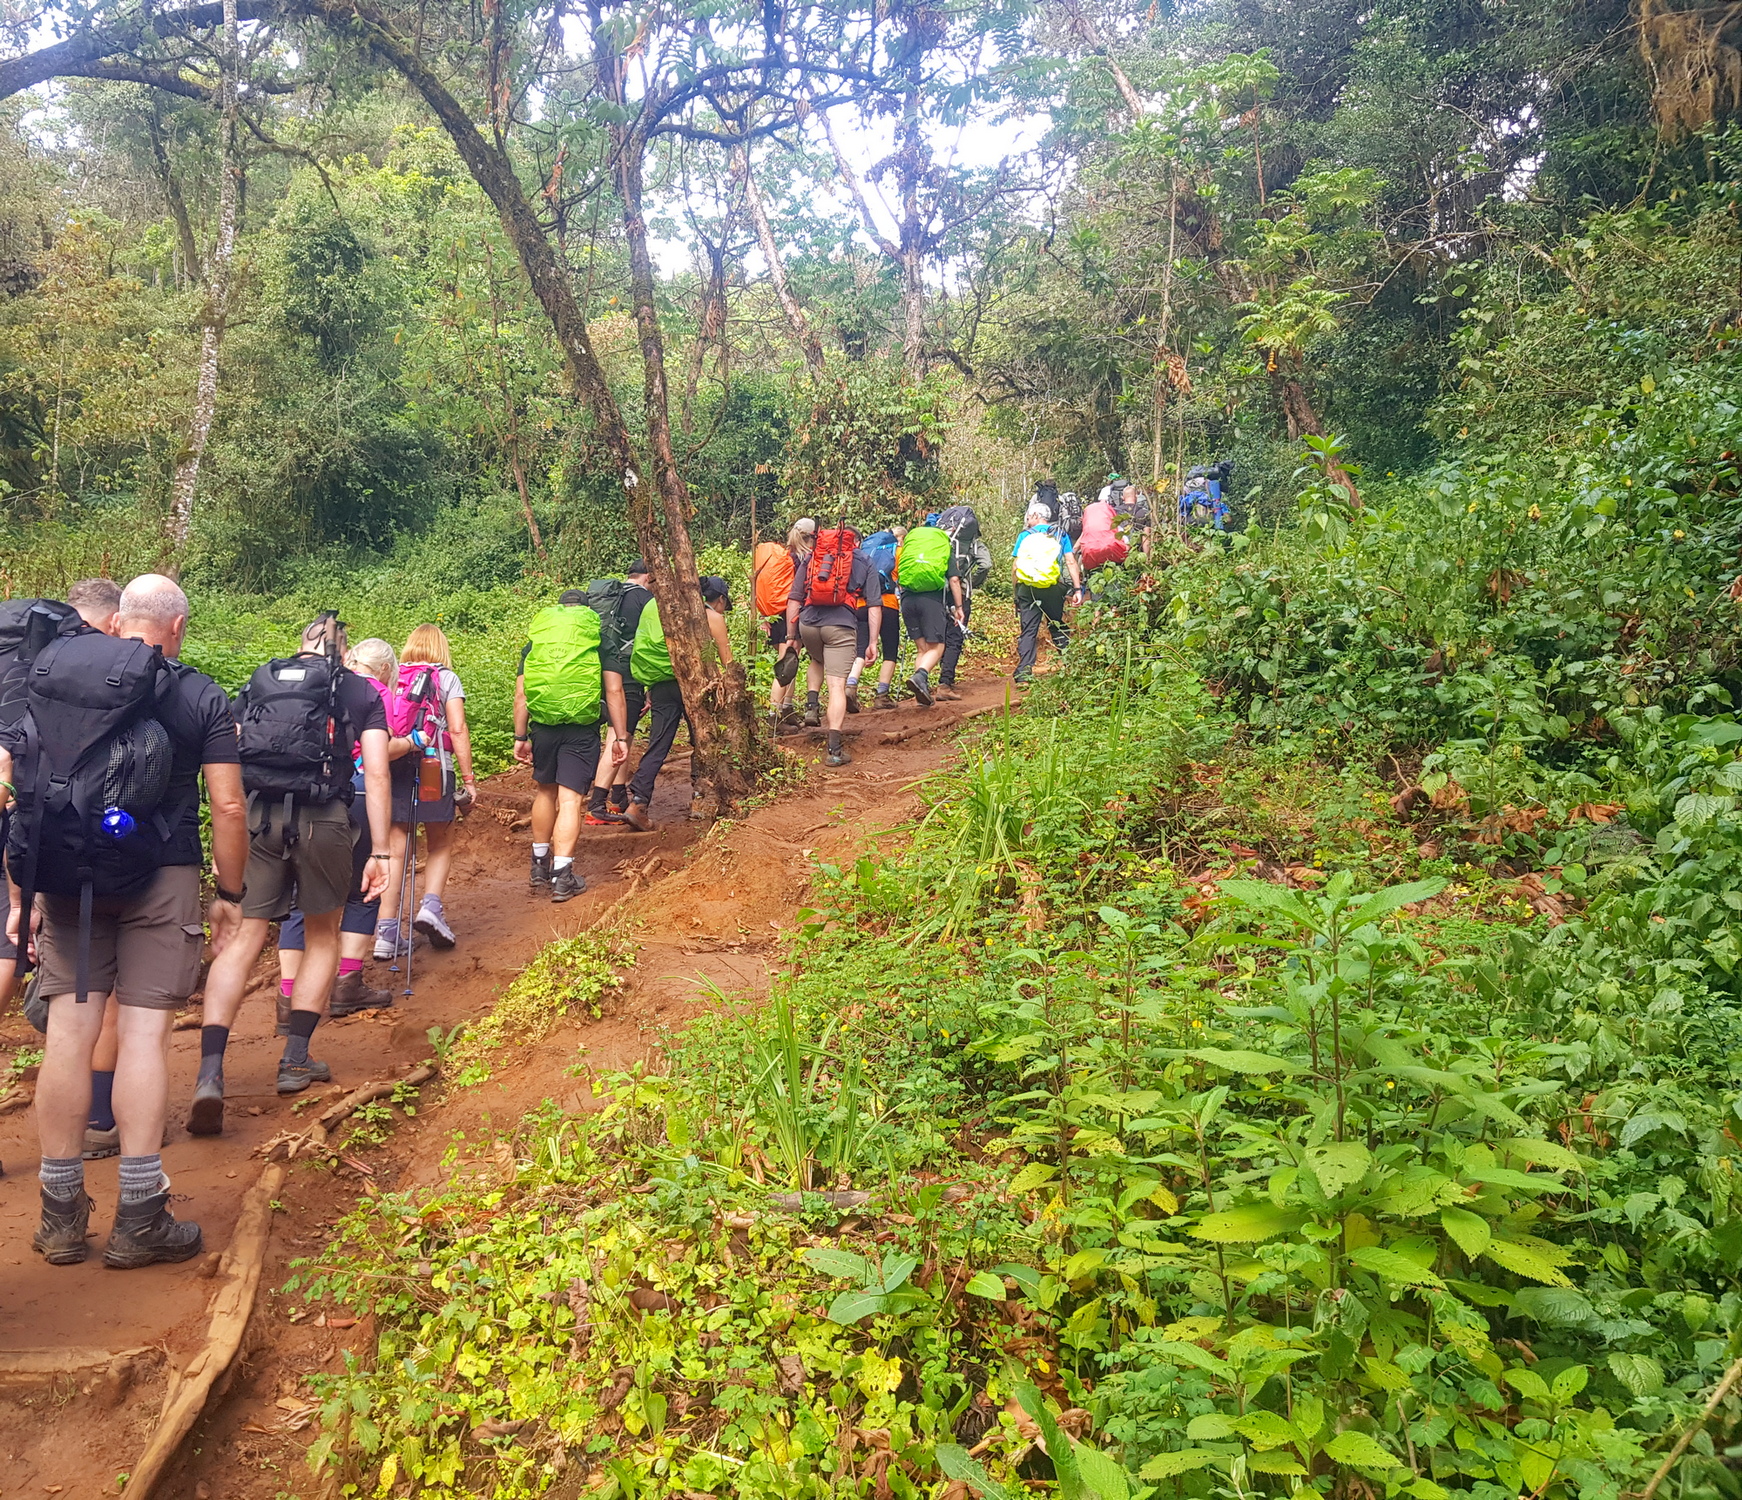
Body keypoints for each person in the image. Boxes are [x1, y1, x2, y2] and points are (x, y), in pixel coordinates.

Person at [6, 573, 248, 1268]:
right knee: (143, 1036)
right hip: (161, 875)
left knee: (70, 1035)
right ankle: (139, 1216)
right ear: (176, 627)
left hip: (68, 875)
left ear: (117, 625)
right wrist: (228, 890)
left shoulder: (63, 678)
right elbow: (228, 808)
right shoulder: (198, 692)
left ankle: (59, 1215)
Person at [193, 614, 393, 1135]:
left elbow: (226, 758)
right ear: (341, 651)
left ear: (299, 645)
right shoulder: (357, 690)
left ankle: (210, 1072)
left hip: (256, 817)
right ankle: (296, 1059)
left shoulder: (259, 680)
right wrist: (384, 851)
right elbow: (376, 770)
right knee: (323, 933)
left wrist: (225, 844)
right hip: (324, 819)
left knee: (242, 938)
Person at [277, 637, 403, 1027]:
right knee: (363, 890)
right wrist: (381, 848)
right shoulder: (365, 691)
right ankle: (347, 983)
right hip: (358, 795)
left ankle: (287, 998)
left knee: (300, 898)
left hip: (295, 803)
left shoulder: (278, 686)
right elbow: (377, 765)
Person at [515, 590, 629, 900]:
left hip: (544, 728)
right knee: (569, 801)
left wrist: (520, 736)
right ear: (587, 611)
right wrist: (620, 736)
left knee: (545, 790)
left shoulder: (537, 642)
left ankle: (539, 865)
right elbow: (615, 691)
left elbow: (522, 695)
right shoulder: (599, 638)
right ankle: (562, 876)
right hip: (581, 729)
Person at [373, 625, 476, 952]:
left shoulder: (393, 677)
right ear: (441, 648)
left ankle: (386, 934)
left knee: (395, 845)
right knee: (440, 842)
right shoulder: (446, 678)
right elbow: (457, 728)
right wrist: (469, 779)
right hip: (435, 767)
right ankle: (431, 909)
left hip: (396, 763)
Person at [620, 577, 734, 831]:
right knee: (704, 742)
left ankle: (637, 802)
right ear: (720, 600)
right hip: (696, 687)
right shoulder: (711, 617)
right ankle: (700, 800)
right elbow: (728, 663)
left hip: (662, 683)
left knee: (658, 744)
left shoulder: (661, 608)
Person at [783, 532, 881, 768]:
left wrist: (791, 636)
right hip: (841, 626)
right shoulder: (864, 560)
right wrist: (873, 642)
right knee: (837, 685)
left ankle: (812, 706)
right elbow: (874, 606)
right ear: (854, 542)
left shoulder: (813, 558)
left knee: (817, 660)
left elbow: (794, 599)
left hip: (808, 623)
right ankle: (834, 749)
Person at [588, 561, 656, 825]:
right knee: (619, 735)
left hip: (603, 672)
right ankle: (596, 804)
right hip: (628, 677)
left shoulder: (612, 597)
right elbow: (650, 643)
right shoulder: (645, 599)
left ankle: (617, 798)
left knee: (621, 735)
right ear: (648, 577)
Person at [1012, 503, 1085, 686]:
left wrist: (1016, 592)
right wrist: (1077, 589)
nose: (1028, 520)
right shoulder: (1060, 534)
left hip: (1027, 588)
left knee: (1029, 630)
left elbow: (1015, 567)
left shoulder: (1024, 536)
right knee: (1056, 624)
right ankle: (1070, 666)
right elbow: (1070, 561)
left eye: (1029, 516)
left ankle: (1024, 675)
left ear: (1036, 515)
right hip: (1053, 587)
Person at [893, 519, 963, 707]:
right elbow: (954, 580)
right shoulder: (942, 546)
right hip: (930, 600)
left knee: (923, 649)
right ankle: (921, 676)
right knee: (937, 647)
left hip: (907, 599)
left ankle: (920, 694)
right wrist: (959, 607)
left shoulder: (910, 545)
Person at [756, 521, 813, 729]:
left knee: (791, 663)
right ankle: (774, 716)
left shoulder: (783, 555)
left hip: (774, 615)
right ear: (811, 537)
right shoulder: (801, 559)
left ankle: (786, 709)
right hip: (790, 616)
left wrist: (764, 616)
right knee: (786, 664)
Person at [935, 503, 985, 701]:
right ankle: (945, 682)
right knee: (955, 635)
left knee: (940, 634)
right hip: (961, 592)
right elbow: (985, 564)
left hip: (936, 591)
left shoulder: (939, 538)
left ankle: (934, 675)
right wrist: (974, 582)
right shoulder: (972, 542)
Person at [851, 525, 904, 710]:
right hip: (887, 605)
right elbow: (902, 579)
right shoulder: (897, 551)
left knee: (860, 650)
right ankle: (882, 695)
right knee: (890, 651)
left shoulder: (865, 552)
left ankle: (851, 686)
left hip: (860, 605)